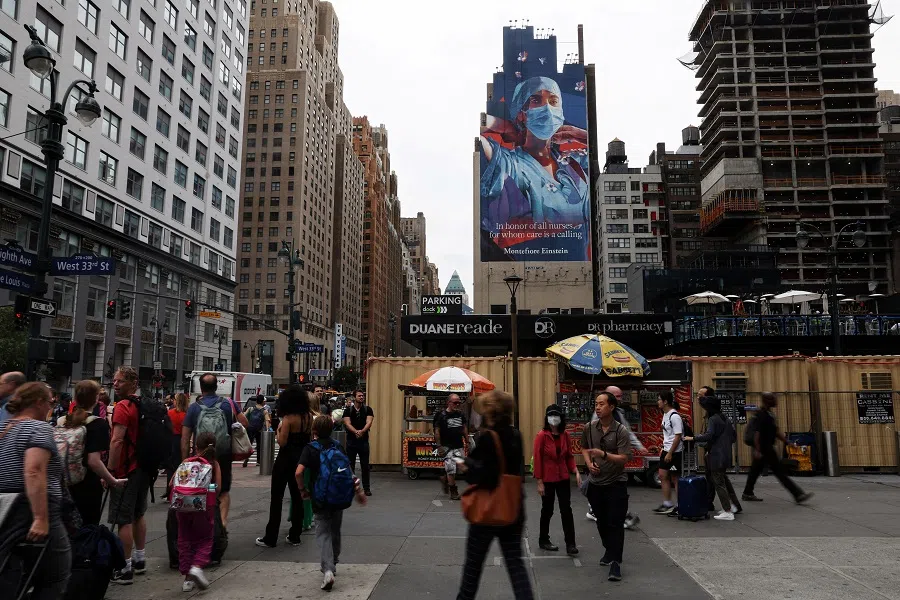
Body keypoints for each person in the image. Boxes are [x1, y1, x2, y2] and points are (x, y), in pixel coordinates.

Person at [480, 77, 591, 262]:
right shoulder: (510, 163)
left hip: (583, 275)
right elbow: (475, 127)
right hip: (533, 271)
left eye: (553, 101)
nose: (547, 108)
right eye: (536, 100)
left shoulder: (573, 163)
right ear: (522, 112)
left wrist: (576, 133)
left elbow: (597, 151)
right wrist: (505, 125)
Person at [455, 390, 533, 600]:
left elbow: (485, 476)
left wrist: (466, 467)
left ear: (490, 411)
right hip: (513, 508)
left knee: (473, 568)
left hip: (487, 512)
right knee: (516, 565)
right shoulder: (516, 434)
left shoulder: (488, 437)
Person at [0, 382, 72, 599]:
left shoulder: (3, 429)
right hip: (35, 506)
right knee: (56, 574)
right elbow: (34, 469)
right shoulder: (38, 428)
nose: (51, 407)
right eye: (50, 402)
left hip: (5, 508)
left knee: (9, 568)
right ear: (39, 402)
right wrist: (40, 517)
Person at [295, 415, 367, 591]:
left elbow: (298, 472)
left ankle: (328, 570)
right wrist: (359, 491)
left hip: (320, 498)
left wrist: (302, 490)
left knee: (323, 533)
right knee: (335, 530)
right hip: (338, 497)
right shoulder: (338, 446)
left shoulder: (310, 449)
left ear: (314, 431)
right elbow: (349, 471)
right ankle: (334, 561)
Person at [182, 372, 249, 530]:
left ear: (201, 387)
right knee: (223, 490)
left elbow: (185, 439)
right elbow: (245, 422)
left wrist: (184, 460)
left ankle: (204, 523)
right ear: (216, 386)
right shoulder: (228, 404)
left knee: (203, 489)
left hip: (201, 457)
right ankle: (223, 524)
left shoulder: (194, 408)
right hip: (222, 454)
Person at [107, 366, 153, 585]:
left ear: (132, 383)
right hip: (144, 467)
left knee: (123, 519)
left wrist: (110, 471)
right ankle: (140, 558)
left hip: (126, 468)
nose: (115, 384)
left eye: (119, 381)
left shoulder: (123, 406)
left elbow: (117, 440)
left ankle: (124, 568)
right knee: (138, 514)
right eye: (114, 381)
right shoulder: (144, 404)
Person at [581, 391, 632, 582]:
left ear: (611, 407)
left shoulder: (621, 431)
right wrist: (588, 463)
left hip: (616, 483)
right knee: (601, 522)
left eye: (602, 404)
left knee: (615, 524)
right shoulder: (589, 427)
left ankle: (616, 563)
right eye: (596, 404)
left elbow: (624, 458)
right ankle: (609, 550)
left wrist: (603, 455)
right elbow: (584, 448)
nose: (598, 407)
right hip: (596, 484)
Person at [60, 380, 126, 525]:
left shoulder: (61, 421)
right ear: (96, 399)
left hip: (62, 482)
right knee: (87, 529)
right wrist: (112, 480)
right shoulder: (97, 424)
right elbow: (93, 461)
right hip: (87, 484)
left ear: (75, 398)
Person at [255, 386, 312, 548]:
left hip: (285, 460)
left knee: (277, 498)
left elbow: (282, 442)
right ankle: (295, 535)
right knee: (297, 496)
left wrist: (279, 430)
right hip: (301, 460)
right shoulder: (308, 417)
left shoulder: (288, 419)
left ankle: (271, 536)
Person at [586, 385, 643, 530]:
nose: (620, 399)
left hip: (615, 460)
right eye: (616, 396)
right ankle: (602, 512)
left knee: (613, 489)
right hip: (603, 460)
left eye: (620, 396)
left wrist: (639, 446)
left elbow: (627, 432)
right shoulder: (597, 417)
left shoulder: (619, 413)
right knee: (602, 488)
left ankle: (613, 514)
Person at [742, 392, 813, 504]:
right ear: (767, 401)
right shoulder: (762, 415)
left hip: (766, 448)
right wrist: (757, 449)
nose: (775, 400)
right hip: (764, 448)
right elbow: (757, 434)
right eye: (773, 399)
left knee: (755, 471)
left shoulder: (769, 414)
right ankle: (798, 494)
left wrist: (788, 442)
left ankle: (747, 493)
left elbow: (776, 432)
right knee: (779, 472)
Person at [172, 432, 221, 592]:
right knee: (205, 538)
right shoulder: (213, 464)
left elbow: (173, 482)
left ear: (196, 447)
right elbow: (218, 488)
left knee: (184, 539)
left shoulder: (186, 462)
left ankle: (187, 579)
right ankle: (197, 566)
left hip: (182, 506)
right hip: (203, 508)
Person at [685, 393, 742, 521]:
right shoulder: (725, 418)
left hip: (716, 455)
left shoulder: (713, 419)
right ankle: (730, 506)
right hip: (726, 454)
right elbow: (733, 437)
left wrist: (693, 438)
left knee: (718, 483)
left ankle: (727, 511)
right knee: (721, 481)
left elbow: (709, 435)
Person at [533, 403, 580, 555]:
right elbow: (538, 459)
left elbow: (569, 456)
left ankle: (571, 544)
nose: (554, 418)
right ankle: (543, 539)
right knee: (547, 510)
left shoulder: (565, 435)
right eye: (551, 415)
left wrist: (576, 470)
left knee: (566, 510)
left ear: (561, 418)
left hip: (563, 477)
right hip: (547, 478)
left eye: (556, 415)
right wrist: (539, 481)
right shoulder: (542, 435)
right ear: (547, 418)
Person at [653, 391, 683, 516]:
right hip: (666, 449)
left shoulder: (674, 416)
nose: (658, 402)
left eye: (659, 399)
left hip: (674, 451)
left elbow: (678, 436)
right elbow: (668, 435)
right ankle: (667, 503)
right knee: (662, 475)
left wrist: (670, 452)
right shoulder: (665, 415)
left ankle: (680, 505)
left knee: (675, 478)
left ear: (665, 401)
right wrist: (664, 448)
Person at [433, 393, 469, 501]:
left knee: (460, 466)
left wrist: (467, 440)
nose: (457, 404)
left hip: (458, 445)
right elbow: (437, 430)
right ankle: (453, 492)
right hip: (447, 447)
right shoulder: (441, 415)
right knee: (451, 469)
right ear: (448, 403)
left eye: (459, 402)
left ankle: (444, 477)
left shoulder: (460, 414)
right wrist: (439, 445)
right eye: (455, 402)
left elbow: (464, 427)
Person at [343, 390, 374, 496]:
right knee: (350, 466)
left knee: (365, 465)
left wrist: (362, 431)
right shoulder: (348, 410)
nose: (362, 397)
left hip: (364, 441)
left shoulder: (367, 409)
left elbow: (369, 422)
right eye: (359, 396)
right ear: (354, 397)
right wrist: (356, 431)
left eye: (363, 396)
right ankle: (352, 488)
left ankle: (366, 488)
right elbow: (347, 423)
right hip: (351, 441)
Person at [164, 393, 190, 500]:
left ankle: (170, 491)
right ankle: (182, 489)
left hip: (171, 441)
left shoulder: (170, 413)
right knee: (183, 466)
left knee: (171, 467)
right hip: (182, 440)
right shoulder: (187, 415)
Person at [243, 395, 270, 467]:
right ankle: (258, 461)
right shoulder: (264, 411)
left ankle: (246, 458)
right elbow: (267, 420)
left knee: (249, 444)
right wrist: (267, 429)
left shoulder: (251, 409)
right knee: (259, 445)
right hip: (259, 430)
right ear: (262, 402)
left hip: (250, 428)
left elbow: (244, 416)